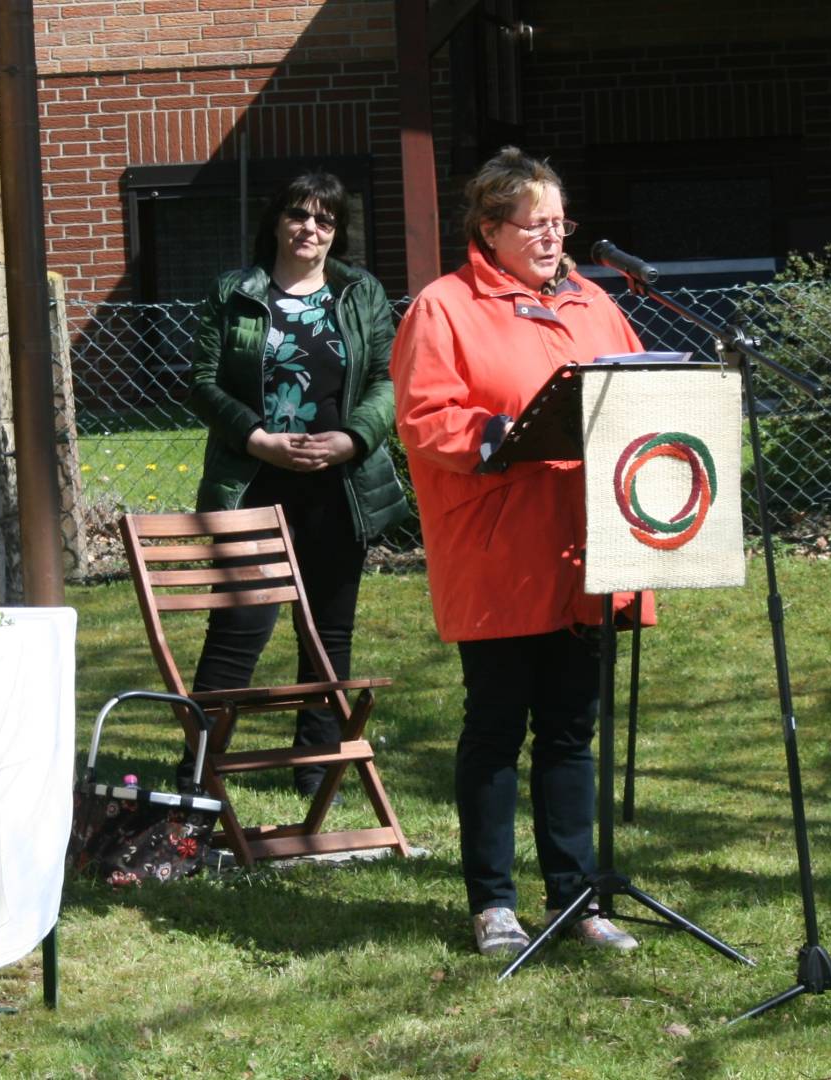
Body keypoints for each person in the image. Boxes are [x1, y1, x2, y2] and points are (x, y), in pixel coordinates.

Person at [391, 147, 655, 957]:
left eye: (559, 222)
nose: (552, 237)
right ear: (489, 229)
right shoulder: (444, 308)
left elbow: (639, 388)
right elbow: (425, 415)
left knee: (572, 730)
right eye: (534, 224)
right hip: (501, 551)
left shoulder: (594, 304)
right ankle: (494, 906)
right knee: (498, 726)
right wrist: (497, 435)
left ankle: (577, 900)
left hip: (587, 550)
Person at [184, 171, 408, 798]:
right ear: (277, 220)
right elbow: (203, 382)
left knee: (327, 631)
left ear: (337, 233)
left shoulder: (361, 293)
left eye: (325, 220)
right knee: (239, 629)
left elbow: (389, 380)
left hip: (339, 488)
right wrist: (257, 438)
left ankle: (315, 770)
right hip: (255, 480)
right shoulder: (236, 291)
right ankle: (198, 771)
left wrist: (353, 438)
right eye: (299, 215)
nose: (310, 229)